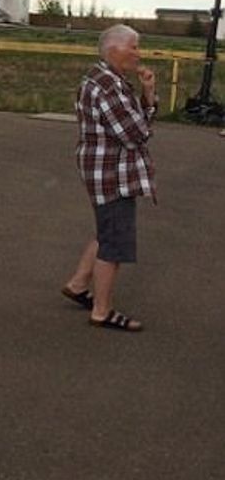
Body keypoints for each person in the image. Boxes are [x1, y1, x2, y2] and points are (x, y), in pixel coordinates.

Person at [61, 24, 157, 332]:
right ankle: (102, 311)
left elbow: (132, 124)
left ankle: (78, 284)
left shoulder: (106, 78)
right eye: (134, 46)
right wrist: (149, 109)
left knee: (107, 230)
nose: (138, 53)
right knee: (114, 242)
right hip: (112, 173)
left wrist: (148, 94)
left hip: (104, 169)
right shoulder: (108, 85)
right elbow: (136, 133)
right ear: (113, 49)